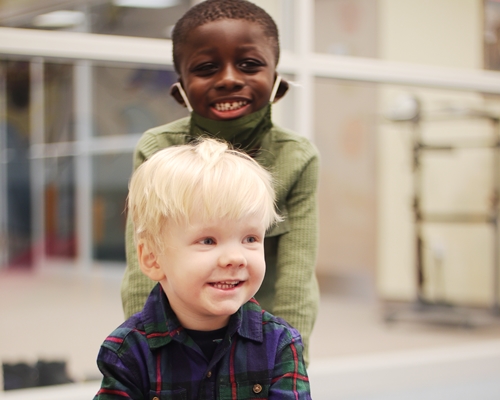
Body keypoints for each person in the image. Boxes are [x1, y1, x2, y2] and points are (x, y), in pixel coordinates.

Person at [120, 0, 320, 364]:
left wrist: (288, 356)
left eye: (249, 64)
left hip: (262, 330)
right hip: (178, 327)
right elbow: (143, 264)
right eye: (206, 68)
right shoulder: (157, 148)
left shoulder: (298, 156)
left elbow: (297, 275)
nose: (229, 78)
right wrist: (148, 350)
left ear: (276, 76)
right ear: (180, 86)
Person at [95, 138, 311, 399]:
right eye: (208, 240)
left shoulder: (280, 343)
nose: (235, 258)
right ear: (153, 258)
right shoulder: (127, 351)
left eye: (250, 239)